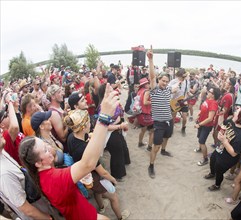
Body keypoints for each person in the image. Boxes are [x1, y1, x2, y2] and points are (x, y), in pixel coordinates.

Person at [19, 83, 120, 220]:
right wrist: (104, 117)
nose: (49, 149)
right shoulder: (53, 180)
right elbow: (88, 164)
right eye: (44, 150)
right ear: (38, 163)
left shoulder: (43, 175)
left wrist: (73, 176)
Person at [65, 109, 130, 219]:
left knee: (97, 192)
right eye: (89, 121)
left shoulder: (71, 136)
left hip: (86, 177)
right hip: (94, 176)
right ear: (84, 126)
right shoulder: (86, 150)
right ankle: (120, 217)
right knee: (113, 196)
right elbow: (103, 172)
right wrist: (113, 180)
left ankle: (101, 206)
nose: (91, 123)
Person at [205, 106, 241, 191]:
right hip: (219, 149)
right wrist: (220, 115)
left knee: (219, 170)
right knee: (212, 160)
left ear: (240, 118)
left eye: (237, 112)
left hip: (228, 158)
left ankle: (217, 185)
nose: (234, 112)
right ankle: (212, 174)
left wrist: (224, 141)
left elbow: (234, 153)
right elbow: (222, 124)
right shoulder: (232, 121)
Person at [147, 46, 175, 179]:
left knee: (167, 138)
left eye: (166, 81)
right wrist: (151, 60)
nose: (165, 83)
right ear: (159, 81)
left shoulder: (168, 89)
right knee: (156, 146)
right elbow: (152, 77)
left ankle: (164, 151)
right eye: (163, 81)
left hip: (169, 121)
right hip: (159, 123)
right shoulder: (154, 90)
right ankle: (151, 165)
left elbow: (174, 88)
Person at [194, 86, 220, 166]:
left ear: (213, 95)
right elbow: (203, 110)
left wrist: (199, 124)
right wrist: (198, 116)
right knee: (199, 138)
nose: (207, 92)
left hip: (206, 125)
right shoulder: (208, 100)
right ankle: (200, 148)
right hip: (201, 123)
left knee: (202, 141)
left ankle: (205, 159)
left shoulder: (213, 104)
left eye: (209, 91)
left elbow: (210, 118)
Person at [168, 68, 190, 136]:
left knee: (185, 117)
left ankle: (183, 127)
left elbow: (187, 92)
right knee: (173, 117)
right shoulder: (173, 82)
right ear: (178, 76)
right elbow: (168, 91)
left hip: (183, 101)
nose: (183, 78)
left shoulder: (186, 82)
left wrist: (190, 96)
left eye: (184, 77)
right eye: (182, 77)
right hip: (174, 101)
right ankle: (171, 129)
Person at [136, 78, 154, 150]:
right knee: (153, 130)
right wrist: (153, 101)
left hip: (140, 113)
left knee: (143, 129)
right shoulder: (147, 91)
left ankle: (140, 143)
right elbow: (145, 102)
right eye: (148, 83)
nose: (149, 85)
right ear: (145, 84)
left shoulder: (139, 91)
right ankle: (149, 147)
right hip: (145, 113)